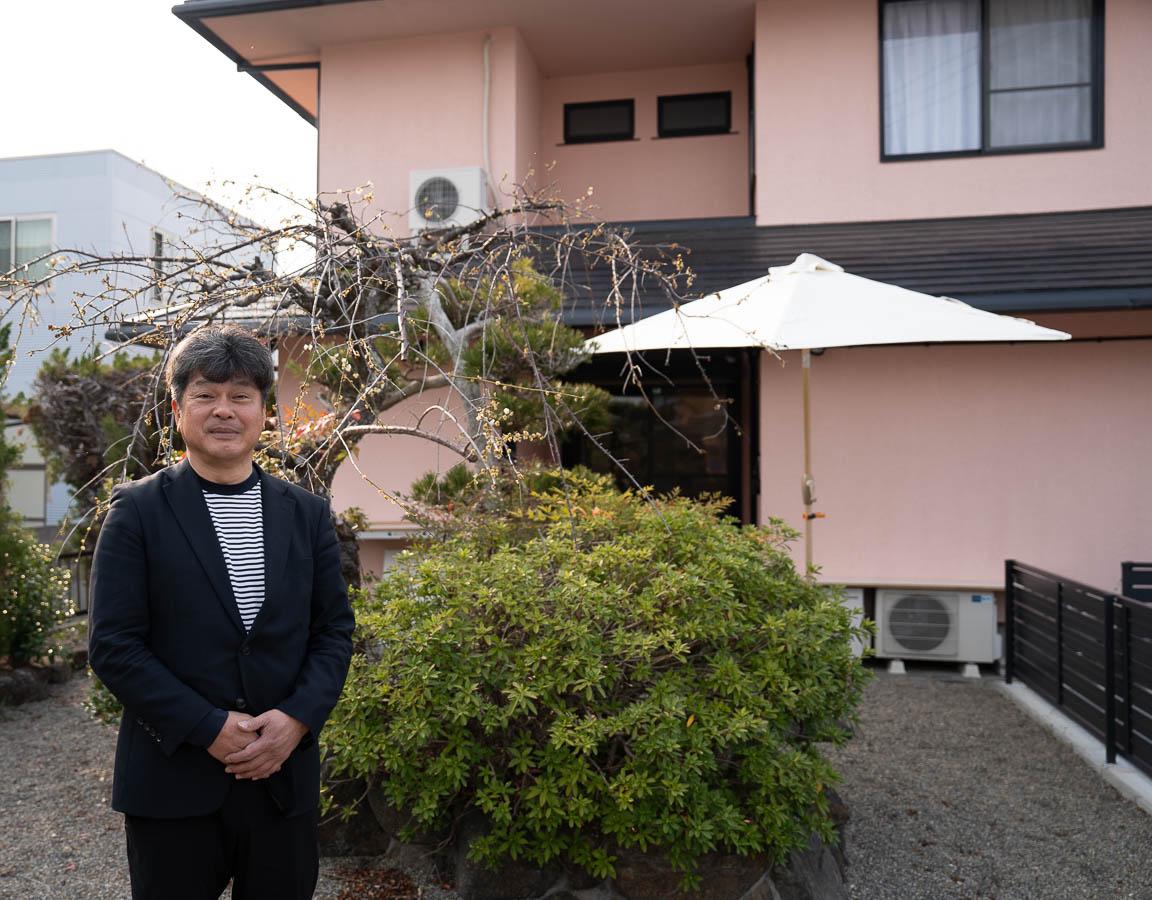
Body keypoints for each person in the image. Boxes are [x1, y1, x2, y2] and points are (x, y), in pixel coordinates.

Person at [89, 325, 355, 900]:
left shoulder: (306, 513)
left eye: (241, 396)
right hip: (172, 779)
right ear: (177, 410)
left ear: (264, 412)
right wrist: (207, 726)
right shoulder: (137, 511)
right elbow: (114, 645)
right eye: (205, 395)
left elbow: (333, 631)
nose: (224, 410)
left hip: (282, 777)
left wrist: (297, 719)